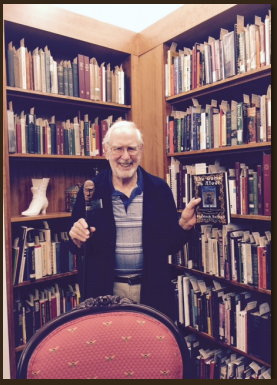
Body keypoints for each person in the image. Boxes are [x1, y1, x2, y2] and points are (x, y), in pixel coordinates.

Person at [68, 120, 201, 320]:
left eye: (131, 149)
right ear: (106, 151)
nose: (125, 156)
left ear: (141, 150)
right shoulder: (91, 190)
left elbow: (169, 246)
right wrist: (77, 238)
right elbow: (76, 243)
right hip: (104, 293)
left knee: (149, 348)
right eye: (118, 149)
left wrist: (183, 226)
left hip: (152, 290)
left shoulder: (159, 189)